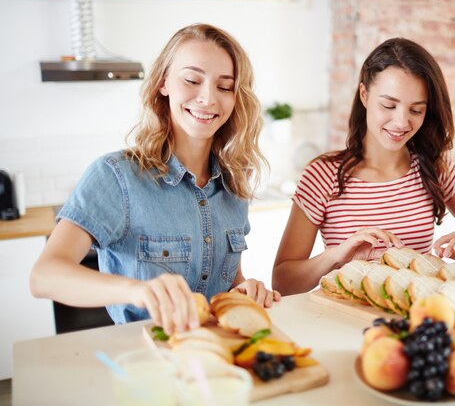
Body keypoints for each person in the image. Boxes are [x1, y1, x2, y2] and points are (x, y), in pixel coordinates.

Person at [30, 23, 280, 335]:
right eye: (192, 80)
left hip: (216, 354)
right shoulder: (116, 176)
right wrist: (136, 290)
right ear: (164, 83)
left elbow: (228, 283)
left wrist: (244, 292)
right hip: (146, 358)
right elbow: (44, 276)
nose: (207, 98)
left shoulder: (234, 184)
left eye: (225, 86)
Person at [272, 38, 455, 295]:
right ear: (364, 95)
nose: (401, 122)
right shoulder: (323, 175)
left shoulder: (434, 169)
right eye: (389, 105)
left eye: (416, 110)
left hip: (418, 319)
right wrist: (334, 257)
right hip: (344, 323)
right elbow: (282, 282)